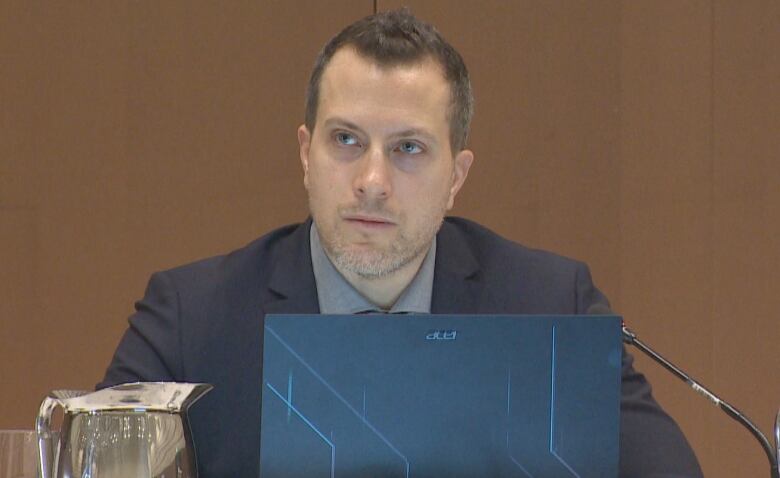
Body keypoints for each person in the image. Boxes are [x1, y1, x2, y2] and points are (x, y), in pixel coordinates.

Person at [99, 9, 703, 477]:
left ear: (457, 177)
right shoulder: (191, 319)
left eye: (408, 148)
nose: (372, 182)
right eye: (346, 140)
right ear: (306, 154)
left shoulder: (550, 304)